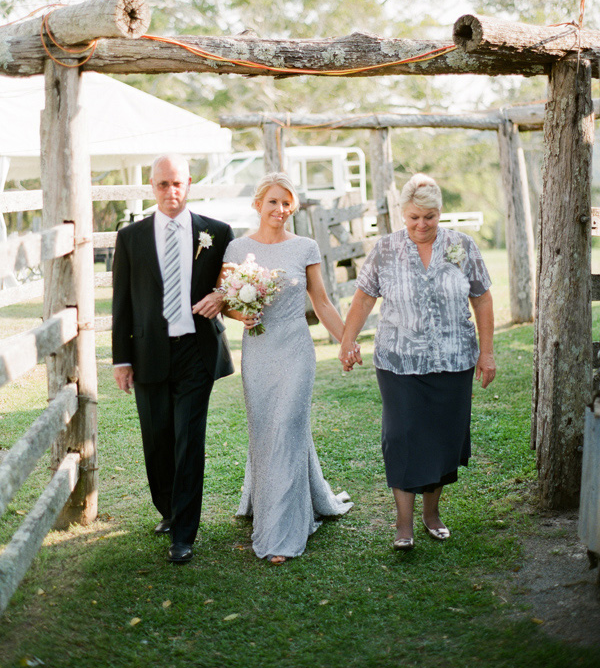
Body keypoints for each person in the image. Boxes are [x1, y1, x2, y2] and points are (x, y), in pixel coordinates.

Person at [339, 173, 495, 551]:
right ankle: (404, 524)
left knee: (442, 439)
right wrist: (347, 340)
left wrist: (487, 352)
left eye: (429, 216)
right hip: (399, 361)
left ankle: (432, 514)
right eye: (413, 218)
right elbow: (363, 299)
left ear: (440, 213)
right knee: (402, 438)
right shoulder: (385, 249)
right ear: (401, 215)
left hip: (453, 359)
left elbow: (483, 298)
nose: (421, 225)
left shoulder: (462, 245)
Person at [222, 172, 353, 564]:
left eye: (286, 203)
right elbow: (226, 299)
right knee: (267, 429)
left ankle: (281, 533)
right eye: (273, 202)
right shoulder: (236, 248)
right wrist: (239, 313)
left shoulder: (306, 247)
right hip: (258, 351)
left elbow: (324, 303)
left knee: (288, 426)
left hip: (297, 350)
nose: (280, 210)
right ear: (258, 204)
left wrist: (347, 340)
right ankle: (280, 499)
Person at [112, 154, 234, 564]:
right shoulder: (130, 238)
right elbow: (122, 305)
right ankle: (168, 508)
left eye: (178, 183)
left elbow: (233, 282)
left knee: (188, 442)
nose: (171, 192)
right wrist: (121, 359)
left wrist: (224, 295)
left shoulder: (216, 233)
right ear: (151, 186)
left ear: (190, 183)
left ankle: (184, 532)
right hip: (148, 352)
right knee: (157, 439)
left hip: (196, 352)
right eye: (163, 185)